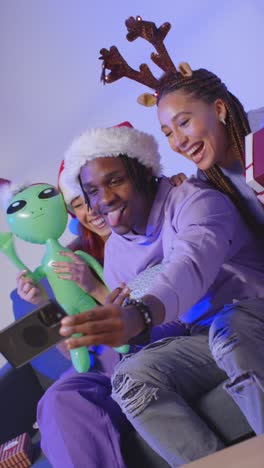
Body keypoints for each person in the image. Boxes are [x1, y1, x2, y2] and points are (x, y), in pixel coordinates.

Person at [54, 121, 264, 467]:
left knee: (227, 330)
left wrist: (142, 314)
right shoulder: (117, 257)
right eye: (92, 190)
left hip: (252, 312)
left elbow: (191, 263)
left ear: (143, 172)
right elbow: (167, 328)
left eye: (115, 180)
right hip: (204, 339)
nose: (103, 199)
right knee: (129, 380)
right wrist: (121, 330)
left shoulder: (194, 202)